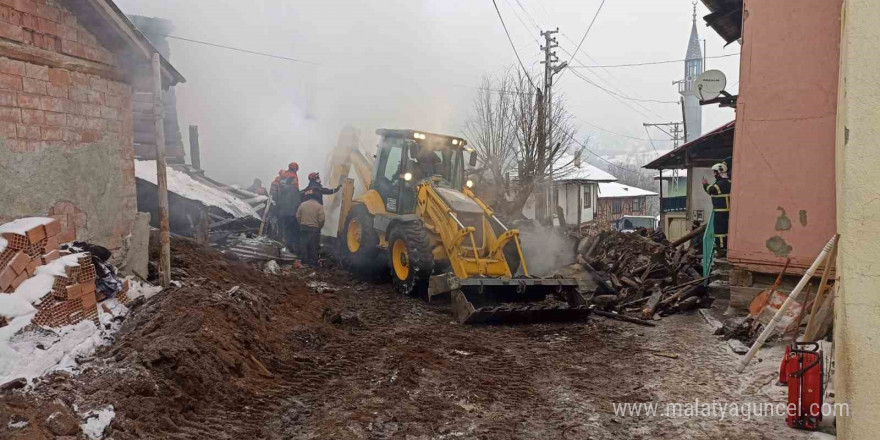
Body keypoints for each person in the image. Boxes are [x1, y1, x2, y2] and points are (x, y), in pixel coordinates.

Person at [702, 162, 732, 256]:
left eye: (715, 172)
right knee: (724, 230)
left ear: (719, 172)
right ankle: (723, 247)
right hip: (724, 211)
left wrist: (705, 184)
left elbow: (712, 190)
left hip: (721, 211)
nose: (714, 174)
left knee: (719, 231)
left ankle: (721, 249)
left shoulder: (721, 183)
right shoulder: (728, 182)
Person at [274, 162, 302, 253]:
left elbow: (278, 191)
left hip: (281, 207)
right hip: (290, 209)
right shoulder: (293, 176)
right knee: (291, 229)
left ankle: (281, 247)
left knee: (283, 228)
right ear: (295, 169)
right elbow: (295, 191)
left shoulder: (282, 176)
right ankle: (291, 249)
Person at [296, 192, 325, 266]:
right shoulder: (319, 206)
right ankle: (313, 262)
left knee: (304, 245)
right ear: (317, 198)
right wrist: (319, 227)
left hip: (303, 228)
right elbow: (322, 219)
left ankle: (304, 261)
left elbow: (297, 216)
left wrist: (301, 223)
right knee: (313, 246)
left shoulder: (303, 204)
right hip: (314, 229)